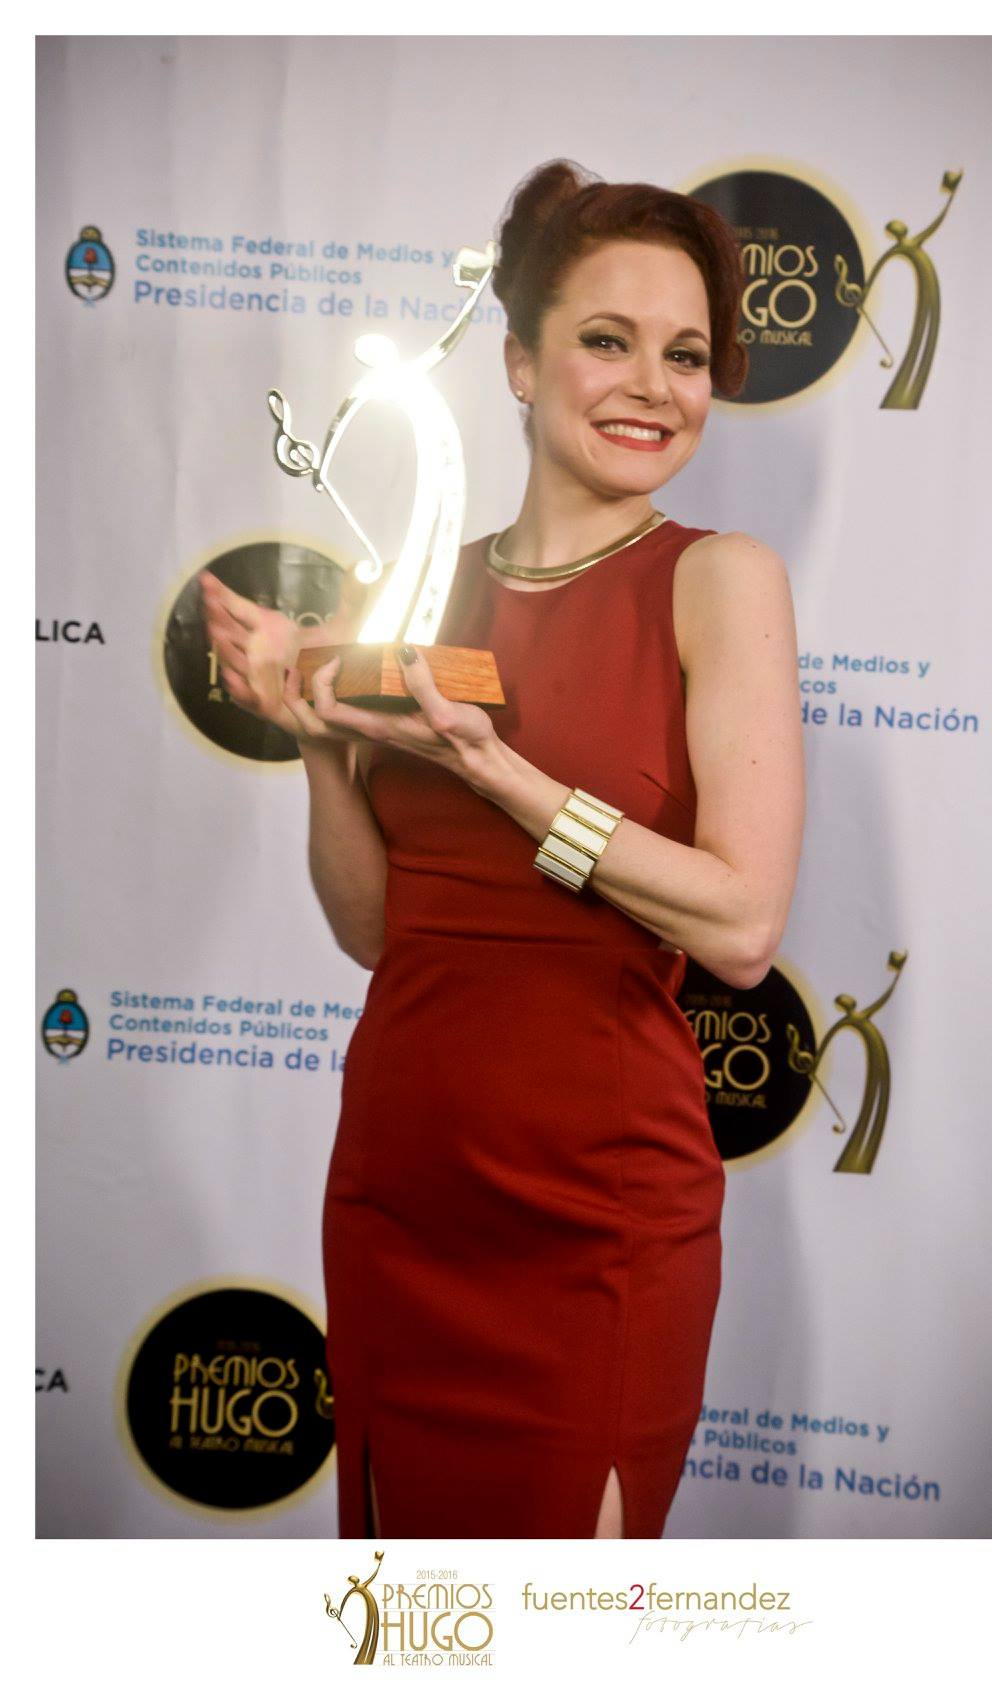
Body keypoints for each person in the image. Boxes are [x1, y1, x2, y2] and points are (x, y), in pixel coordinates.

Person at [199, 158, 805, 1539]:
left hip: (598, 1216)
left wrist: (497, 771)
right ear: (521, 364)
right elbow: (377, 930)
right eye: (607, 340)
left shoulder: (719, 579)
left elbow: (743, 925)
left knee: (557, 1624)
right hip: (401, 1188)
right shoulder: (414, 593)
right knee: (408, 1619)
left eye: (687, 354)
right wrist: (316, 740)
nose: (653, 386)